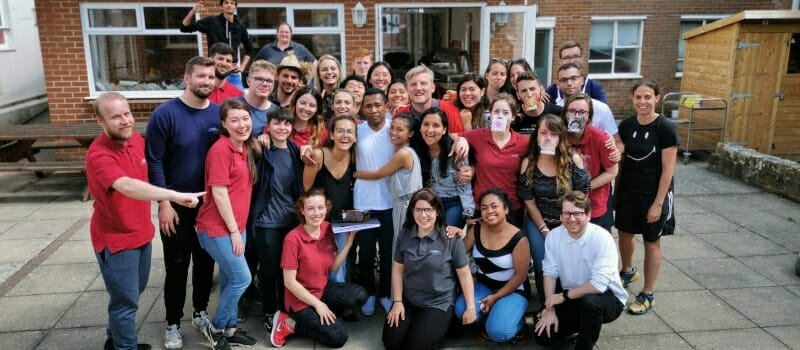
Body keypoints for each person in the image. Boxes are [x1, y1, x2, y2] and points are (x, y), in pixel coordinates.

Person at [87, 92, 204, 350]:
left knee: (130, 295)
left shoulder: (137, 140)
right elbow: (128, 186)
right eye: (115, 117)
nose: (125, 121)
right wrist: (173, 196)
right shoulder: (99, 155)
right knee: (125, 302)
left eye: (127, 113)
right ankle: (124, 347)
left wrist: (164, 201)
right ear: (100, 121)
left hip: (141, 234)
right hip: (116, 241)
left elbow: (152, 169)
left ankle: (115, 339)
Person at [146, 56, 220, 350]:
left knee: (205, 263)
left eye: (211, 77)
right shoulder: (165, 115)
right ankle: (173, 323)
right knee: (177, 266)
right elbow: (154, 161)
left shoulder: (218, 114)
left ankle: (200, 313)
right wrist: (163, 202)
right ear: (186, 78)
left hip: (208, 204)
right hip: (175, 205)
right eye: (201, 76)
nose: (207, 82)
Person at [194, 99, 260, 349]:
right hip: (217, 228)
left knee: (229, 280)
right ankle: (217, 327)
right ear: (224, 124)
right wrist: (234, 231)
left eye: (245, 119)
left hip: (235, 226)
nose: (241, 124)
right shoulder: (220, 150)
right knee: (242, 279)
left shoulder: (243, 147)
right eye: (234, 120)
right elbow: (219, 193)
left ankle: (230, 330)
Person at [269, 189, 369, 348]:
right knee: (338, 337)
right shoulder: (292, 239)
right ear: (302, 210)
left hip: (322, 289)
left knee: (360, 294)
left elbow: (334, 267)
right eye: (310, 208)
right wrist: (318, 305)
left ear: (326, 208)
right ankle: (288, 323)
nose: (316, 213)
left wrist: (349, 241)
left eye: (320, 207)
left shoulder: (328, 228)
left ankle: (320, 315)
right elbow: (289, 282)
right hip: (300, 300)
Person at [382, 188, 477, 350]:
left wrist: (470, 308)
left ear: (438, 212)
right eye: (418, 210)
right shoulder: (405, 234)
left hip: (438, 303)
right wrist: (397, 302)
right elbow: (397, 269)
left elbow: (464, 274)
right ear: (412, 211)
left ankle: (437, 331)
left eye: (428, 210)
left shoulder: (450, 237)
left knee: (414, 347)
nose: (423, 215)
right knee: (390, 342)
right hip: (410, 300)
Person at [616, 79, 678, 315]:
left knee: (652, 242)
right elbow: (618, 153)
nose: (642, 101)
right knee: (624, 233)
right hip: (628, 192)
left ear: (657, 99)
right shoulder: (626, 125)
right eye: (638, 97)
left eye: (647, 97)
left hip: (653, 195)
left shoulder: (665, 128)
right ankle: (628, 270)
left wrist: (658, 204)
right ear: (633, 99)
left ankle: (648, 293)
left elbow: (668, 170)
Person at [534, 191, 626, 350]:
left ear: (589, 215)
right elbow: (549, 273)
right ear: (561, 215)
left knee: (589, 304)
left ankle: (585, 344)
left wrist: (562, 296)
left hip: (606, 297)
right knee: (543, 335)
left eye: (577, 213)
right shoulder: (554, 236)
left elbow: (598, 285)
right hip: (572, 295)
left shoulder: (602, 238)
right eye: (567, 213)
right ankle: (583, 325)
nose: (571, 219)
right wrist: (550, 308)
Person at [245, 107, 305, 337]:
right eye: (277, 123)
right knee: (269, 271)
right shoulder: (261, 149)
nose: (282, 128)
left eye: (287, 124)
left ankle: (286, 310)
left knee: (288, 271)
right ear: (268, 126)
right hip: (266, 221)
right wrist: (258, 137)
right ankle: (270, 313)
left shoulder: (293, 150)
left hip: (290, 221)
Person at [518, 114, 590, 304]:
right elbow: (529, 201)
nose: (548, 138)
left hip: (568, 221)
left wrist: (569, 224)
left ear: (561, 138)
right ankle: (547, 304)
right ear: (536, 136)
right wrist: (543, 229)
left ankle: (569, 302)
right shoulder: (529, 162)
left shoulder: (573, 160)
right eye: (543, 133)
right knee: (543, 265)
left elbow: (582, 196)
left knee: (568, 265)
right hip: (539, 220)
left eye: (553, 134)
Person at [455, 189, 530, 343]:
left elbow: (520, 276)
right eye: (484, 208)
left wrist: (495, 297)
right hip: (484, 286)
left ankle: (517, 323)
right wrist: (455, 233)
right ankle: (496, 317)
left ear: (506, 209)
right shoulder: (476, 229)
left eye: (494, 206)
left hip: (513, 290)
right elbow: (459, 256)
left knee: (499, 333)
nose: (489, 211)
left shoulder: (519, 238)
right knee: (461, 310)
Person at [353, 88, 395, 316]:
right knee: (366, 254)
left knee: (388, 253)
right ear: (362, 109)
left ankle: (387, 293)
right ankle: (369, 293)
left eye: (378, 105)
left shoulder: (395, 131)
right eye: (368, 106)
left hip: (390, 203)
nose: (373, 110)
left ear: (386, 105)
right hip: (362, 203)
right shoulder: (357, 131)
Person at [353, 113, 423, 252]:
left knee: (398, 253)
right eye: (392, 127)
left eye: (400, 129)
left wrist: (353, 174)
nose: (393, 132)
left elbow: (379, 174)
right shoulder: (401, 151)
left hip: (405, 208)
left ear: (411, 133)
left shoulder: (404, 154)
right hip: (401, 206)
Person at [303, 116, 359, 283]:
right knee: (319, 267)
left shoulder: (355, 156)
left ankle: (337, 304)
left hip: (343, 220)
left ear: (355, 137)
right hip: (320, 221)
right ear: (332, 135)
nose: (345, 135)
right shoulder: (318, 155)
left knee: (339, 269)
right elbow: (306, 190)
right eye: (340, 131)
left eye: (350, 132)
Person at [460, 93, 529, 226]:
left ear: (513, 117)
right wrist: (461, 140)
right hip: (483, 208)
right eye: (496, 111)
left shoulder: (523, 143)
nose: (500, 115)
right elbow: (450, 136)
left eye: (505, 112)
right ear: (490, 115)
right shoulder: (478, 135)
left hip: (511, 208)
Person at [562, 93, 618, 231]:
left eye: (582, 112)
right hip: (565, 204)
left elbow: (612, 172)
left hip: (593, 204)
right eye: (572, 111)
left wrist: (585, 187)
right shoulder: (559, 136)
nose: (576, 116)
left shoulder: (600, 138)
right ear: (565, 113)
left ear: (589, 116)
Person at [413, 107, 475, 227]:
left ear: (444, 129)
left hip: (454, 203)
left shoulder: (455, 151)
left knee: (445, 233)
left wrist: (469, 210)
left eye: (436, 125)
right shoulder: (417, 151)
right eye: (426, 124)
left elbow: (464, 184)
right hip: (429, 203)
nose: (430, 130)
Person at [180, 0, 253, 91]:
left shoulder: (240, 26)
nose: (229, 5)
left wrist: (242, 67)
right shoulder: (212, 21)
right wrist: (192, 12)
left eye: (232, 3)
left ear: (235, 6)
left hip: (233, 74)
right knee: (211, 101)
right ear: (222, 6)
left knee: (238, 102)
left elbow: (249, 49)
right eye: (226, 3)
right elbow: (184, 28)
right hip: (214, 72)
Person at [395, 65, 464, 133]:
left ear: (432, 87)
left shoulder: (451, 111)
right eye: (413, 84)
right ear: (407, 89)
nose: (418, 88)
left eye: (423, 83)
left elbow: (459, 140)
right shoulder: (400, 115)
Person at [232, 59, 277, 135]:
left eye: (269, 81)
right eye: (259, 79)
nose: (265, 84)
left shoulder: (276, 112)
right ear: (248, 81)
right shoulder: (232, 106)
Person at [316, 55, 344, 120]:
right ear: (319, 75)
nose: (329, 72)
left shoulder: (347, 94)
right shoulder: (314, 96)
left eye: (333, 69)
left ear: (339, 72)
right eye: (324, 70)